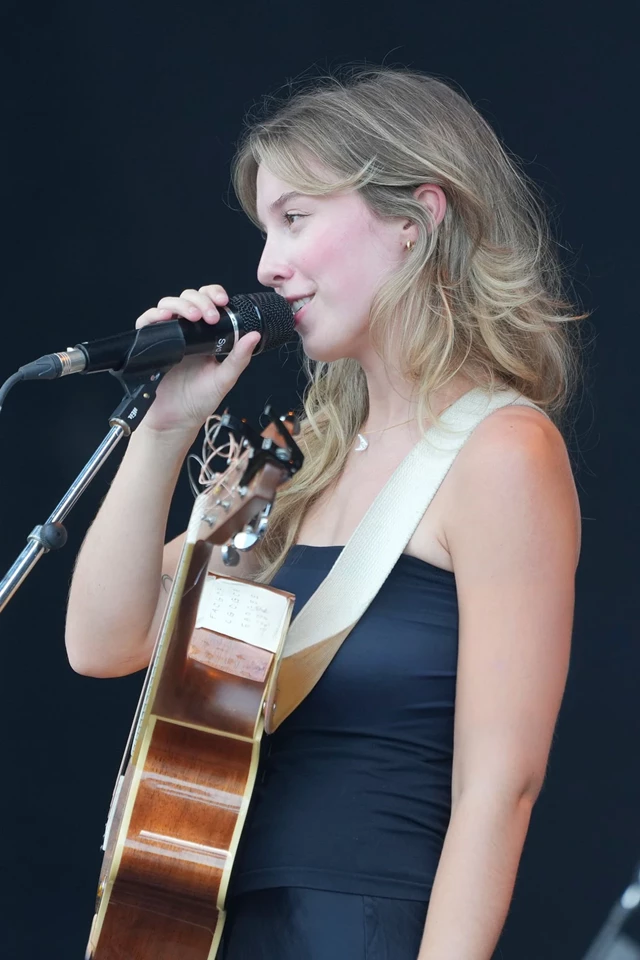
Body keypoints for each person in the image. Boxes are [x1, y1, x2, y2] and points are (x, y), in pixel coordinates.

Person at [65, 66, 585, 960]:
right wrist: (164, 431)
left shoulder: (503, 454)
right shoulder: (292, 461)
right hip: (204, 926)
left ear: (417, 221)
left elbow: (503, 786)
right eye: (266, 227)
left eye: (296, 219)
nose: (267, 265)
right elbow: (104, 644)